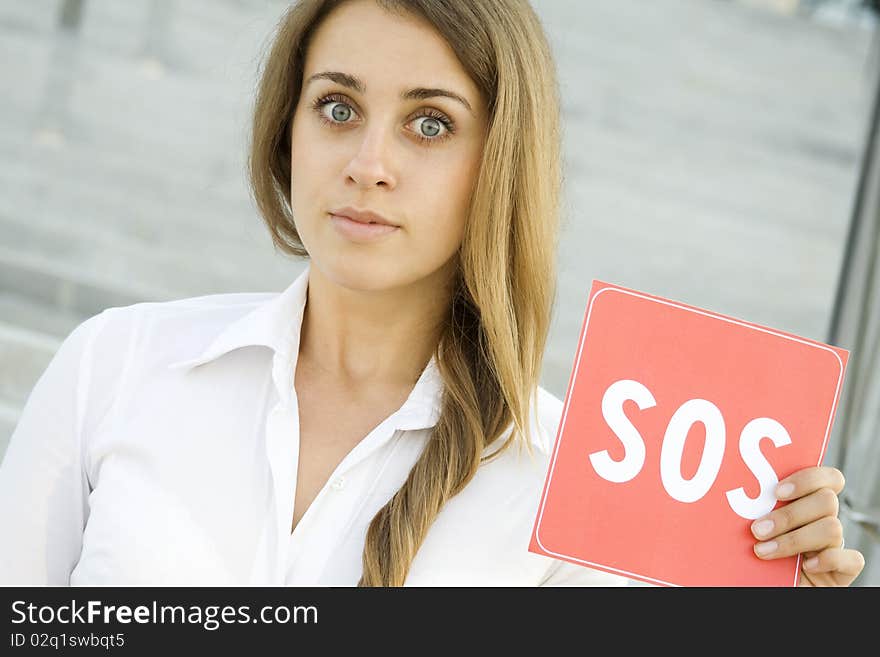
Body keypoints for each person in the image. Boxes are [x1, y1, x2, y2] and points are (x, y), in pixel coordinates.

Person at [0, 0, 865, 587]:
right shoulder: (111, 366)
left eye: (429, 124)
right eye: (336, 106)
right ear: (286, 127)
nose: (368, 164)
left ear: (500, 163)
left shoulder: (576, 482)